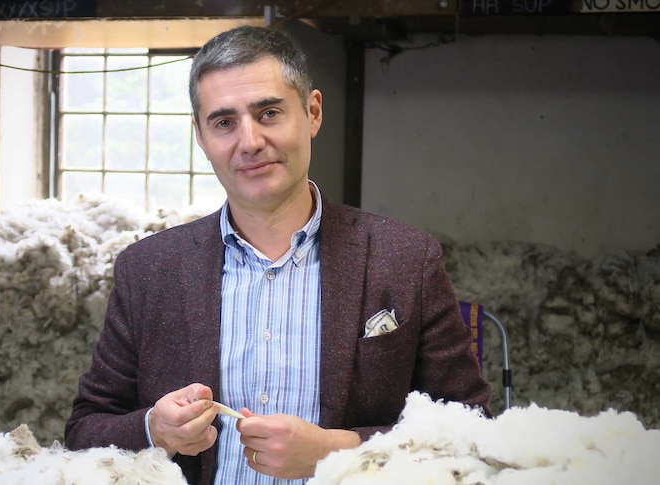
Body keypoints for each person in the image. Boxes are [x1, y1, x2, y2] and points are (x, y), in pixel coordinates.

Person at [65, 25, 491, 485]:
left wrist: (338, 451)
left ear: (312, 113)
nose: (248, 142)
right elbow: (84, 430)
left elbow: (474, 433)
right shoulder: (149, 270)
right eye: (224, 122)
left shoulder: (406, 260)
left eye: (268, 113)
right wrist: (154, 429)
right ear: (201, 137)